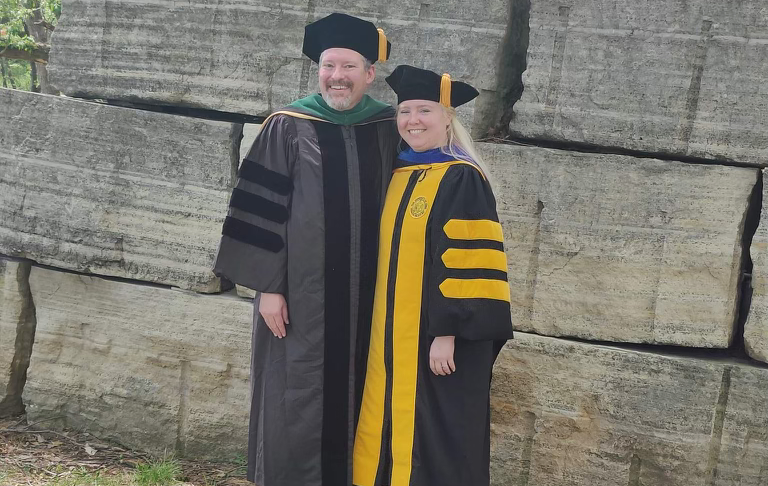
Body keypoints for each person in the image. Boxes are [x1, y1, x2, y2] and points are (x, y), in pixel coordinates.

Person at [213, 13, 399, 486]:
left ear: (369, 74)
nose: (337, 76)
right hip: (301, 297)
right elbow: (260, 212)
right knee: (295, 394)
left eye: (349, 66)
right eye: (329, 65)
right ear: (318, 69)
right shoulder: (287, 126)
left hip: (370, 297)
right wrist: (268, 288)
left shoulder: (388, 127)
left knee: (367, 390)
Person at [352, 65, 514, 486]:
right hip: (390, 338)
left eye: (424, 110)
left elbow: (468, 263)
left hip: (438, 339)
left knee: (438, 432)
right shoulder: (397, 174)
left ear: (448, 118)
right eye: (404, 112)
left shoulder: (461, 176)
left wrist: (449, 333)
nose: (412, 121)